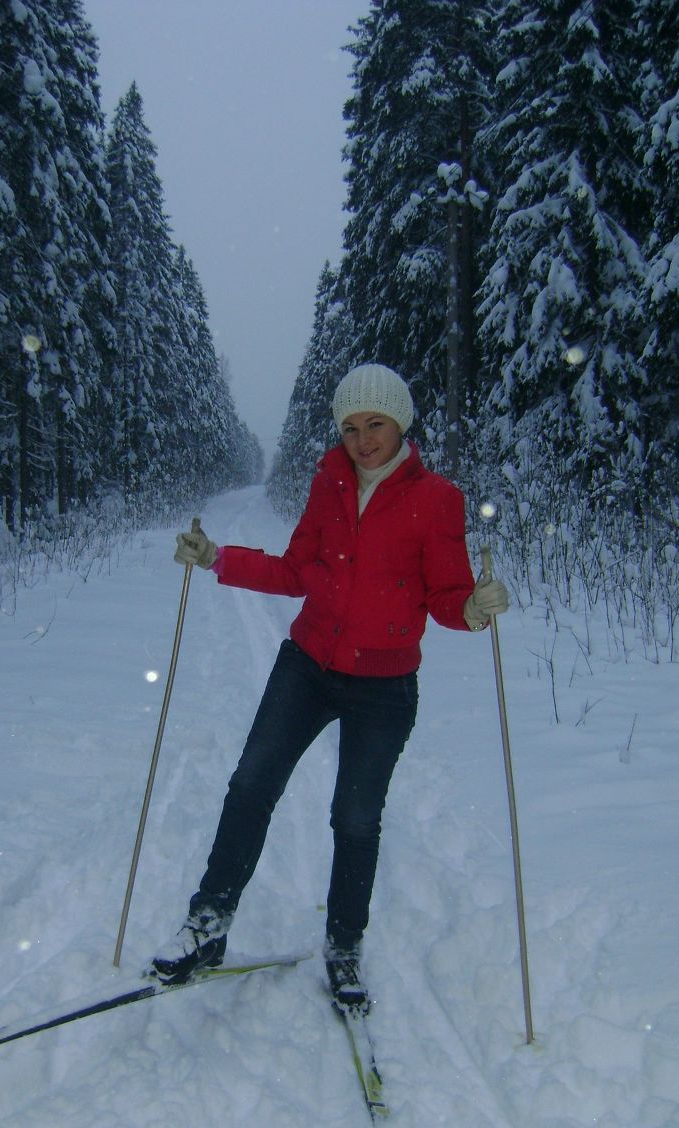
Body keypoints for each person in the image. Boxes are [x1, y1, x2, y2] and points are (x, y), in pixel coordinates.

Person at [149, 363, 508, 1011]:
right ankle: (207, 925)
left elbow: (447, 597)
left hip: (384, 686)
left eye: (375, 424)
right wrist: (218, 559)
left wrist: (477, 608)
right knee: (251, 783)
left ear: (401, 422)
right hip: (309, 665)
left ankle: (344, 946)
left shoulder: (438, 499)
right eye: (350, 426)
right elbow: (294, 572)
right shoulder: (328, 482)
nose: (363, 438)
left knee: (355, 817)